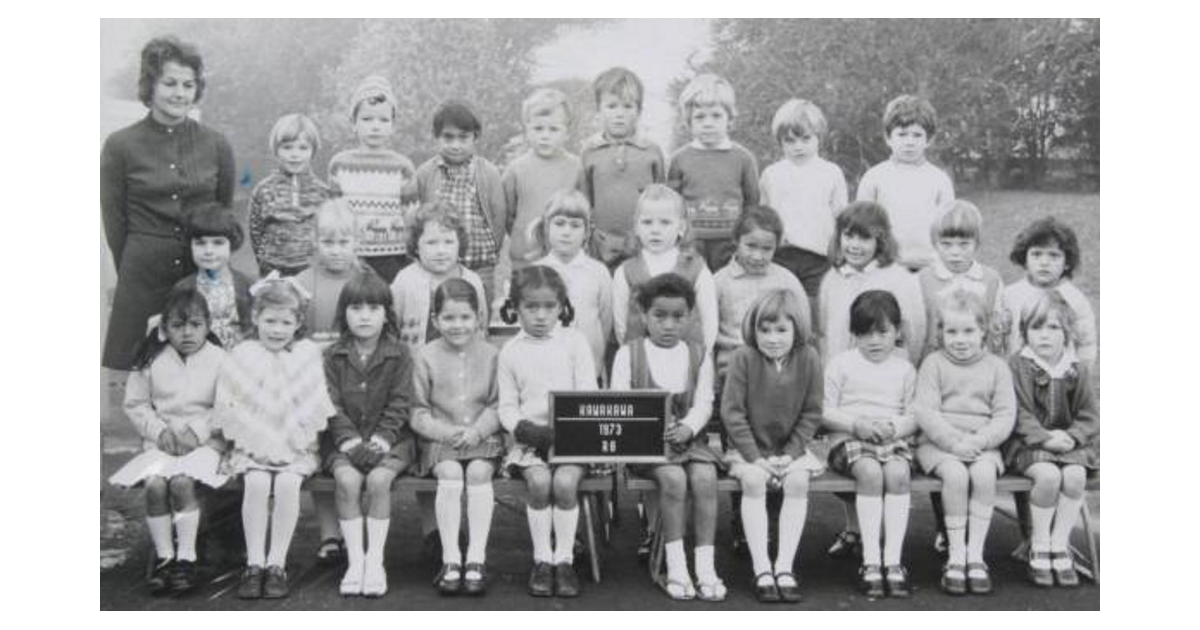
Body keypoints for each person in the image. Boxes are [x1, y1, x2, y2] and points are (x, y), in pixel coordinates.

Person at [101, 35, 235, 370]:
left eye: (188, 85)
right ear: (150, 85)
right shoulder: (120, 145)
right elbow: (115, 222)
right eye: (169, 83)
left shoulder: (217, 144)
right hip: (142, 274)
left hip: (199, 272)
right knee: (141, 377)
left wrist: (210, 266)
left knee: (203, 371)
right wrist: (134, 266)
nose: (180, 93)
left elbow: (222, 214)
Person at [214, 276, 335, 600]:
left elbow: (313, 403)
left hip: (296, 445)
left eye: (286, 322)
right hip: (251, 445)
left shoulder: (307, 354)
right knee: (255, 483)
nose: (277, 329)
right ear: (255, 318)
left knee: (286, 484)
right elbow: (231, 402)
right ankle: (255, 564)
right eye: (270, 321)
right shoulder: (242, 353)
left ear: (298, 323)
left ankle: (277, 563)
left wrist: (296, 442)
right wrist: (252, 442)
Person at [610, 274, 724, 602]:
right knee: (673, 479)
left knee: (705, 477)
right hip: (644, 446)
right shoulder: (628, 354)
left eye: (679, 317)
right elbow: (621, 405)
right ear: (644, 316)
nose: (669, 325)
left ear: (690, 317)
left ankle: (706, 566)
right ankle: (676, 566)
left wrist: (689, 426)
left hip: (689, 443)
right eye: (660, 316)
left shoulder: (699, 353)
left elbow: (705, 402)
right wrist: (649, 429)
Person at [108, 287, 228, 596]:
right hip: (161, 444)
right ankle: (165, 558)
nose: (187, 333)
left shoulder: (220, 360)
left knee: (181, 483)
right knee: (155, 486)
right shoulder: (150, 359)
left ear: (209, 325)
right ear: (164, 328)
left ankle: (186, 558)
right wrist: (159, 431)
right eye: (177, 325)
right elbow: (136, 405)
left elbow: (228, 405)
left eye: (195, 325)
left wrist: (196, 433)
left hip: (205, 446)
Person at [497, 266, 598, 598]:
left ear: (562, 307)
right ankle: (543, 559)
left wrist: (566, 429)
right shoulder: (510, 351)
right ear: (516, 308)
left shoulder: (575, 342)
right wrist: (525, 429)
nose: (541, 316)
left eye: (549, 307)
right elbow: (506, 407)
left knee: (565, 483)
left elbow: (587, 393)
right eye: (531, 307)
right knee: (540, 483)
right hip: (530, 441)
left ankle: (564, 560)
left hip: (572, 437)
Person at [721, 289, 824, 603]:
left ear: (798, 329)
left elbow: (812, 412)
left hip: (789, 450)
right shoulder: (743, 358)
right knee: (753, 480)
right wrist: (756, 458)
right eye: (764, 330)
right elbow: (732, 412)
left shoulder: (808, 357)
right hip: (749, 449)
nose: (772, 338)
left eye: (782, 330)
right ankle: (762, 567)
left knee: (798, 481)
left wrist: (790, 454)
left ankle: (784, 566)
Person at [914, 290, 1016, 596]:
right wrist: (953, 442)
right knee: (957, 475)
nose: (960, 339)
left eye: (969, 331)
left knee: (983, 475)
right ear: (941, 332)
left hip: (983, 443)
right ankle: (956, 554)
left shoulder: (997, 367)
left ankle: (976, 554)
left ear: (983, 330)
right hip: (940, 443)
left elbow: (1005, 414)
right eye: (952, 331)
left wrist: (981, 440)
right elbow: (926, 411)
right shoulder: (933, 363)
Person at [322, 271, 416, 598]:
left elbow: (401, 402)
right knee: (347, 482)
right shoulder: (332, 355)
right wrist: (349, 441)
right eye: (356, 308)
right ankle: (355, 562)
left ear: (386, 314)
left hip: (391, 441)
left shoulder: (400, 353)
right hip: (342, 441)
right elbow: (330, 403)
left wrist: (380, 441)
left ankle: (374, 560)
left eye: (373, 309)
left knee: (378, 481)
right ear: (342, 313)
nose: (364, 316)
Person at [822, 290, 918, 598]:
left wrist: (894, 427)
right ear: (854, 334)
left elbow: (915, 413)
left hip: (892, 438)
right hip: (849, 439)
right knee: (870, 472)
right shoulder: (841, 364)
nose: (874, 341)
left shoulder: (904, 368)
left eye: (882, 332)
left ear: (897, 331)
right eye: (864, 333)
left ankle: (893, 560)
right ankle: (870, 561)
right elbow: (824, 410)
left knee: (898, 474)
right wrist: (856, 425)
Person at [411, 278, 505, 596]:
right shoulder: (424, 356)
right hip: (440, 439)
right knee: (450, 472)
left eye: (465, 317)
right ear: (435, 319)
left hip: (482, 435)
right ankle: (451, 558)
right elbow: (418, 411)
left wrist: (477, 430)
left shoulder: (492, 354)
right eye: (448, 318)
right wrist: (448, 432)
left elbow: (496, 403)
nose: (457, 325)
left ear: (478, 318)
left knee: (479, 471)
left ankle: (476, 558)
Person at [1003, 291, 1099, 588]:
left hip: (1070, 445)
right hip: (1030, 444)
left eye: (1054, 328)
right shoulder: (1019, 364)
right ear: (1024, 332)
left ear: (1067, 332)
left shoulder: (1076, 368)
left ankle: (1060, 544)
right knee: (1046, 477)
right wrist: (1044, 439)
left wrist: (1072, 436)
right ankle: (1039, 544)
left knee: (1074, 475)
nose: (1044, 336)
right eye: (1036, 327)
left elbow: (1089, 414)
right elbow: (1020, 412)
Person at [413, 100, 508, 306]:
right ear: (436, 137)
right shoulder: (425, 173)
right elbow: (418, 219)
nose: (455, 145)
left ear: (475, 137)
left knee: (479, 312)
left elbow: (499, 215)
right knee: (440, 311)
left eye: (463, 138)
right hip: (439, 263)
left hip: (480, 263)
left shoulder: (488, 172)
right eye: (448, 137)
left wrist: (493, 251)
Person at [758, 98, 848, 310]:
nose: (799, 147)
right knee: (782, 309)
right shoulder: (772, 174)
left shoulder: (831, 172)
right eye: (790, 141)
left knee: (816, 311)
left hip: (819, 257)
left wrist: (840, 253)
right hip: (782, 256)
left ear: (819, 138)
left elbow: (842, 217)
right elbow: (765, 216)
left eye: (806, 139)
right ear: (780, 142)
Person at [327, 74, 417, 283]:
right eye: (367, 119)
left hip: (393, 258)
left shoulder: (403, 167)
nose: (375, 126)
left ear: (393, 125)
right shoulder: (339, 165)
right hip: (352, 256)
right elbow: (334, 215)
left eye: (383, 120)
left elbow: (410, 217)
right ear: (353, 123)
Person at [667, 73, 760, 271]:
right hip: (691, 243)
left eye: (716, 115)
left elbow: (752, 204)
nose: (708, 123)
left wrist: (745, 238)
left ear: (729, 118)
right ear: (689, 121)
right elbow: (672, 204)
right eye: (700, 117)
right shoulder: (679, 159)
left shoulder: (743, 158)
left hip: (730, 244)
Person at [577, 66, 666, 270]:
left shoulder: (651, 151)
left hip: (643, 244)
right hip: (601, 245)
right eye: (612, 106)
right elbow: (584, 200)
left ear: (639, 111)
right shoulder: (590, 151)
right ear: (599, 109)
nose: (619, 114)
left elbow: (661, 199)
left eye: (627, 106)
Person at [817, 201, 925, 366]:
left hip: (884, 375)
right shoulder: (833, 278)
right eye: (848, 236)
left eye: (865, 238)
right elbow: (824, 331)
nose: (854, 245)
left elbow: (914, 333)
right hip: (841, 375)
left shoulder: (900, 279)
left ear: (880, 240)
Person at [612, 185, 718, 355]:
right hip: (641, 359)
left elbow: (709, 320)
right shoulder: (625, 272)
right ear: (636, 227)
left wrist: (702, 356)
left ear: (681, 227)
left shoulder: (696, 269)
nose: (655, 230)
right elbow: (620, 324)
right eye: (647, 222)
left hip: (686, 359)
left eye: (665, 222)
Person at [855, 94, 955, 271]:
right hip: (885, 266)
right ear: (888, 138)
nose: (909, 142)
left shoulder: (939, 180)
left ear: (929, 140)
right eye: (902, 134)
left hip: (929, 266)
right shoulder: (874, 178)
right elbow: (862, 225)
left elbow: (949, 229)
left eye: (917, 135)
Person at [527, 190, 613, 382]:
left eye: (575, 225)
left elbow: (604, 322)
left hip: (589, 372)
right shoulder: (535, 272)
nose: (566, 232)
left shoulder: (598, 272)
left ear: (587, 232)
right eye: (559, 224)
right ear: (547, 227)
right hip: (545, 371)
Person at [713, 205, 809, 378]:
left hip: (779, 368)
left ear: (776, 247)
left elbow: (803, 329)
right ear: (736, 241)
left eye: (766, 249)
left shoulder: (787, 281)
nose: (758, 256)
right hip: (733, 369)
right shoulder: (719, 282)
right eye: (750, 246)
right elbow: (707, 335)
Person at [502, 88, 584, 270]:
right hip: (525, 258)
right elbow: (508, 214)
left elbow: (583, 212)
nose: (545, 136)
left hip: (564, 257)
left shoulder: (576, 167)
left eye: (553, 129)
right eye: (538, 128)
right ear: (527, 130)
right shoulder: (516, 169)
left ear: (566, 133)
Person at [390, 201, 489, 349]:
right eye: (431, 243)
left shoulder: (472, 280)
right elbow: (392, 327)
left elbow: (480, 327)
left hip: (460, 365)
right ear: (416, 246)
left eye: (448, 242)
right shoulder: (405, 281)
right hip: (416, 366)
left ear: (459, 243)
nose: (441, 250)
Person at [1002, 217, 1098, 365]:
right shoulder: (1010, 295)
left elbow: (1086, 343)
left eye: (1053, 255)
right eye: (1036, 254)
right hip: (1017, 378)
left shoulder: (1075, 299)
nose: (1044, 262)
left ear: (1066, 262)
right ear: (1025, 259)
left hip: (1061, 379)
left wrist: (1081, 376)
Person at [917, 200, 1006, 358]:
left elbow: (997, 327)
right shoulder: (923, 280)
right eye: (946, 244)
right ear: (935, 244)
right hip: (936, 363)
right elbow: (918, 331)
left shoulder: (991, 279)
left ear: (977, 243)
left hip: (979, 362)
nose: (955, 252)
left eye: (964, 244)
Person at [247, 113, 332, 277]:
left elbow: (328, 233)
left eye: (303, 148)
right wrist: (266, 262)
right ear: (276, 150)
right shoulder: (263, 190)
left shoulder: (324, 193)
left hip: (311, 272)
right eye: (287, 147)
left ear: (313, 151)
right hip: (273, 271)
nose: (295, 154)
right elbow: (256, 232)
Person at [173, 204, 253, 349]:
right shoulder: (183, 288)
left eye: (218, 243)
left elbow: (253, 329)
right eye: (200, 243)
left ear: (232, 244)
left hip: (240, 359)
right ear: (190, 245)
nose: (209, 251)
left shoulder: (247, 285)